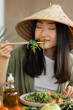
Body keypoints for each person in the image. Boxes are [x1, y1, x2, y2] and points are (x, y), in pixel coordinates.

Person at [0, 4, 73, 97]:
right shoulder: (19, 54)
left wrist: (70, 92)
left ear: (61, 34)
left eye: (51, 28)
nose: (43, 34)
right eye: (39, 27)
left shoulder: (70, 61)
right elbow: (1, 90)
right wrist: (4, 59)